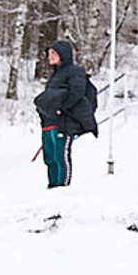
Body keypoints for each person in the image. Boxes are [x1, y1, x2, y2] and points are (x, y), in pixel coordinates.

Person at [33, 37, 99, 188]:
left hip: (64, 122)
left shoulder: (75, 72)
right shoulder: (54, 76)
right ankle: (52, 185)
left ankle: (62, 188)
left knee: (61, 156)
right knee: (50, 158)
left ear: (63, 55)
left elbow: (77, 93)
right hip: (49, 122)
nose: (50, 57)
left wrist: (62, 108)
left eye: (54, 53)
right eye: (49, 53)